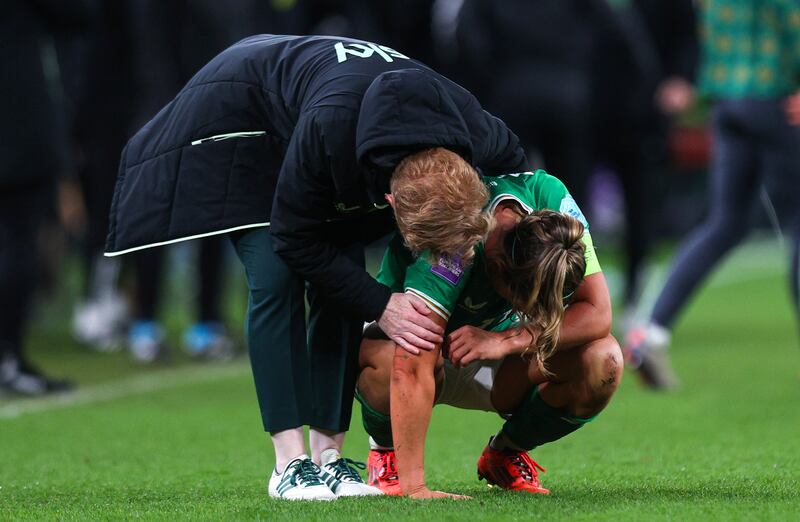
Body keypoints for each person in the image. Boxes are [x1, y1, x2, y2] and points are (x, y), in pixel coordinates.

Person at [104, 35, 526, 500]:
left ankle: (330, 458)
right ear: (388, 203)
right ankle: (289, 463)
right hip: (246, 115)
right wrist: (382, 303)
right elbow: (292, 235)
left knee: (343, 270)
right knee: (276, 274)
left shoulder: (477, 132)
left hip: (334, 119)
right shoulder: (330, 131)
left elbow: (517, 173)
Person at [356, 170, 620, 498]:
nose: (532, 311)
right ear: (498, 269)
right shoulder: (458, 238)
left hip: (493, 354)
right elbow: (412, 361)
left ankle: (505, 453)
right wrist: (417, 489)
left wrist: (506, 340)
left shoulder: (552, 204)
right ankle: (387, 455)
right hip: (415, 351)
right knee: (395, 355)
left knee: (602, 360)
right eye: (526, 301)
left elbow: (597, 311)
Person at [624, 0, 800, 390]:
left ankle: (651, 333)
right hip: (778, 100)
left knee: (725, 223)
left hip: (728, 103)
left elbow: (708, 34)